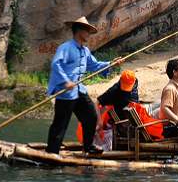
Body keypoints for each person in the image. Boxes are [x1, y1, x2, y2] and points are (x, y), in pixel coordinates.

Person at [46, 16, 122, 156]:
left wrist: (111, 64)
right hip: (66, 92)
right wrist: (65, 81)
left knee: (91, 116)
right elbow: (56, 64)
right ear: (79, 31)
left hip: (79, 90)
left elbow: (94, 66)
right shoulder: (66, 48)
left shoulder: (85, 51)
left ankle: (88, 146)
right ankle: (52, 152)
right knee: (61, 123)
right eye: (87, 31)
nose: (88, 34)